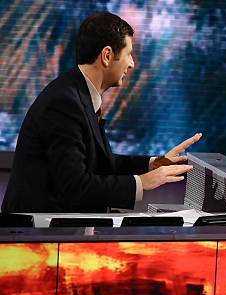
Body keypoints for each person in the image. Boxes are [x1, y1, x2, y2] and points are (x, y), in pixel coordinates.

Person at [2, 12, 200, 213]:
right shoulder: (65, 103)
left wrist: (154, 164)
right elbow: (75, 186)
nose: (132, 64)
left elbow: (100, 163)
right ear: (107, 56)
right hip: (36, 236)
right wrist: (142, 182)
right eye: (128, 54)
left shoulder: (77, 93)